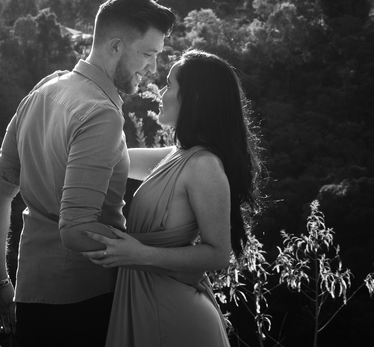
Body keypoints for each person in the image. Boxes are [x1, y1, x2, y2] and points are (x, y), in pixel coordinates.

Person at [0, 0, 177, 346]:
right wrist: (165, 254)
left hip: (31, 295)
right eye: (149, 54)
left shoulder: (45, 89)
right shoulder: (101, 113)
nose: (153, 68)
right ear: (115, 47)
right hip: (83, 303)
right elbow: (76, 230)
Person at [80, 49, 263, 347]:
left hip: (175, 317)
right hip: (148, 303)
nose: (161, 94)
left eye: (169, 85)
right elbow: (112, 159)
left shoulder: (204, 165)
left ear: (194, 98)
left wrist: (141, 255)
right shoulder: (177, 156)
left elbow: (218, 254)